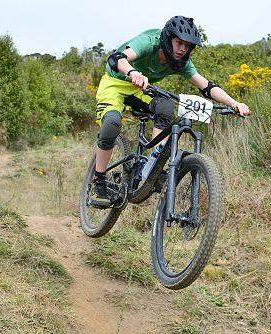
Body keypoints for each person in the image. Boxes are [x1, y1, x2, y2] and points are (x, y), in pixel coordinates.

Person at [91, 15, 251, 207]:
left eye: (188, 46)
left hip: (141, 90)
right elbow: (117, 58)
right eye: (179, 43)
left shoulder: (180, 62)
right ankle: (98, 181)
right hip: (115, 84)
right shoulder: (150, 41)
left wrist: (235, 104)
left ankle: (153, 167)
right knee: (112, 123)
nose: (183, 49)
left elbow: (206, 86)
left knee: (166, 107)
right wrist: (132, 72)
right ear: (168, 39)